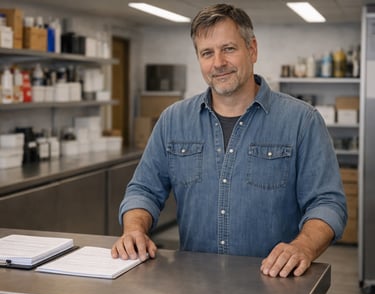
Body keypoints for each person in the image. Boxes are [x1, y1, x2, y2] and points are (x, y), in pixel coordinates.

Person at [111, 3, 347, 278]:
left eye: (229, 49)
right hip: (195, 285)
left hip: (276, 284)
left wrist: (303, 247)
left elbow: (328, 203)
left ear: (252, 49)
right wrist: (134, 230)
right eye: (207, 53)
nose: (218, 62)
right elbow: (143, 190)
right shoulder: (173, 121)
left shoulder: (301, 121)